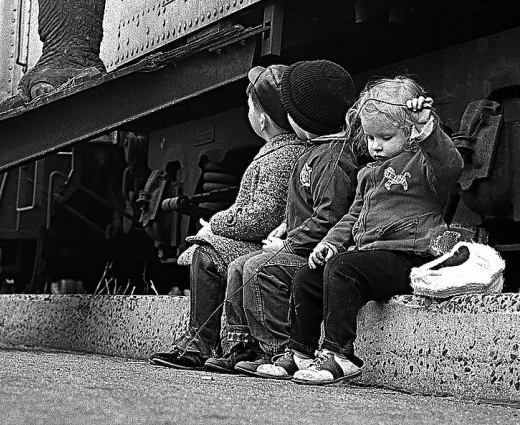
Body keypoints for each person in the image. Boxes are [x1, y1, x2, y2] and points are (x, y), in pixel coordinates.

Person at [280, 75, 464, 385]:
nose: (375, 146)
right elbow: (354, 215)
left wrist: (428, 129)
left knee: (343, 269)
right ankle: (301, 351)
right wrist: (330, 243)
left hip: (412, 256)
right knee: (308, 277)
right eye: (370, 138)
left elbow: (450, 167)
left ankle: (340, 355)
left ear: (410, 133)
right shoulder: (368, 172)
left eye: (385, 137)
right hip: (374, 258)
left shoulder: (423, 162)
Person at [149, 65, 304, 370]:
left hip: (269, 246)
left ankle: (203, 341)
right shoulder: (280, 151)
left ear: (262, 119)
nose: (247, 113)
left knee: (206, 253)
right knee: (209, 249)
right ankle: (210, 341)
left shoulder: (280, 157)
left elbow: (263, 217)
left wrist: (215, 224)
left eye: (250, 107)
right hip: (269, 244)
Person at [215, 59, 361, 376]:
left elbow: (330, 217)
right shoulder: (314, 151)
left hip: (316, 255)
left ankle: (279, 351)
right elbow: (302, 209)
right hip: (301, 247)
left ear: (303, 119)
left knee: (258, 267)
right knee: (239, 265)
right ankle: (243, 344)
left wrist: (288, 243)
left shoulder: (332, 160)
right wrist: (284, 228)